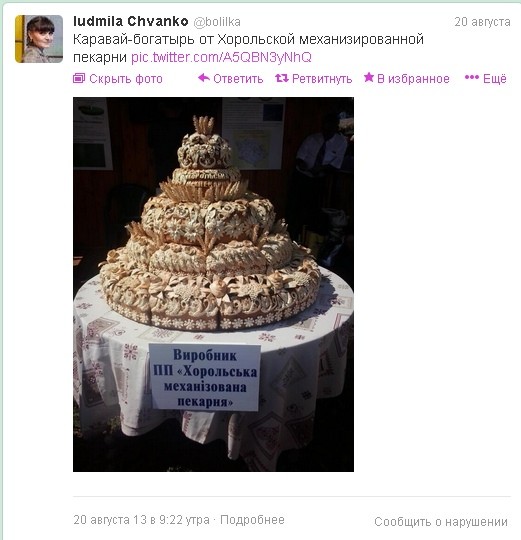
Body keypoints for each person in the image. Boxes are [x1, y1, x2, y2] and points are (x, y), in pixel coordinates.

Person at [286, 113, 348, 239]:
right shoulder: (312, 139)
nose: (327, 130)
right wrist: (306, 167)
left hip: (320, 179)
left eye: (331, 127)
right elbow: (300, 158)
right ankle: (293, 235)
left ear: (336, 127)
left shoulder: (340, 142)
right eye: (325, 126)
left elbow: (336, 164)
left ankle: (310, 238)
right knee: (296, 208)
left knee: (314, 211)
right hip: (302, 177)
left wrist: (320, 169)